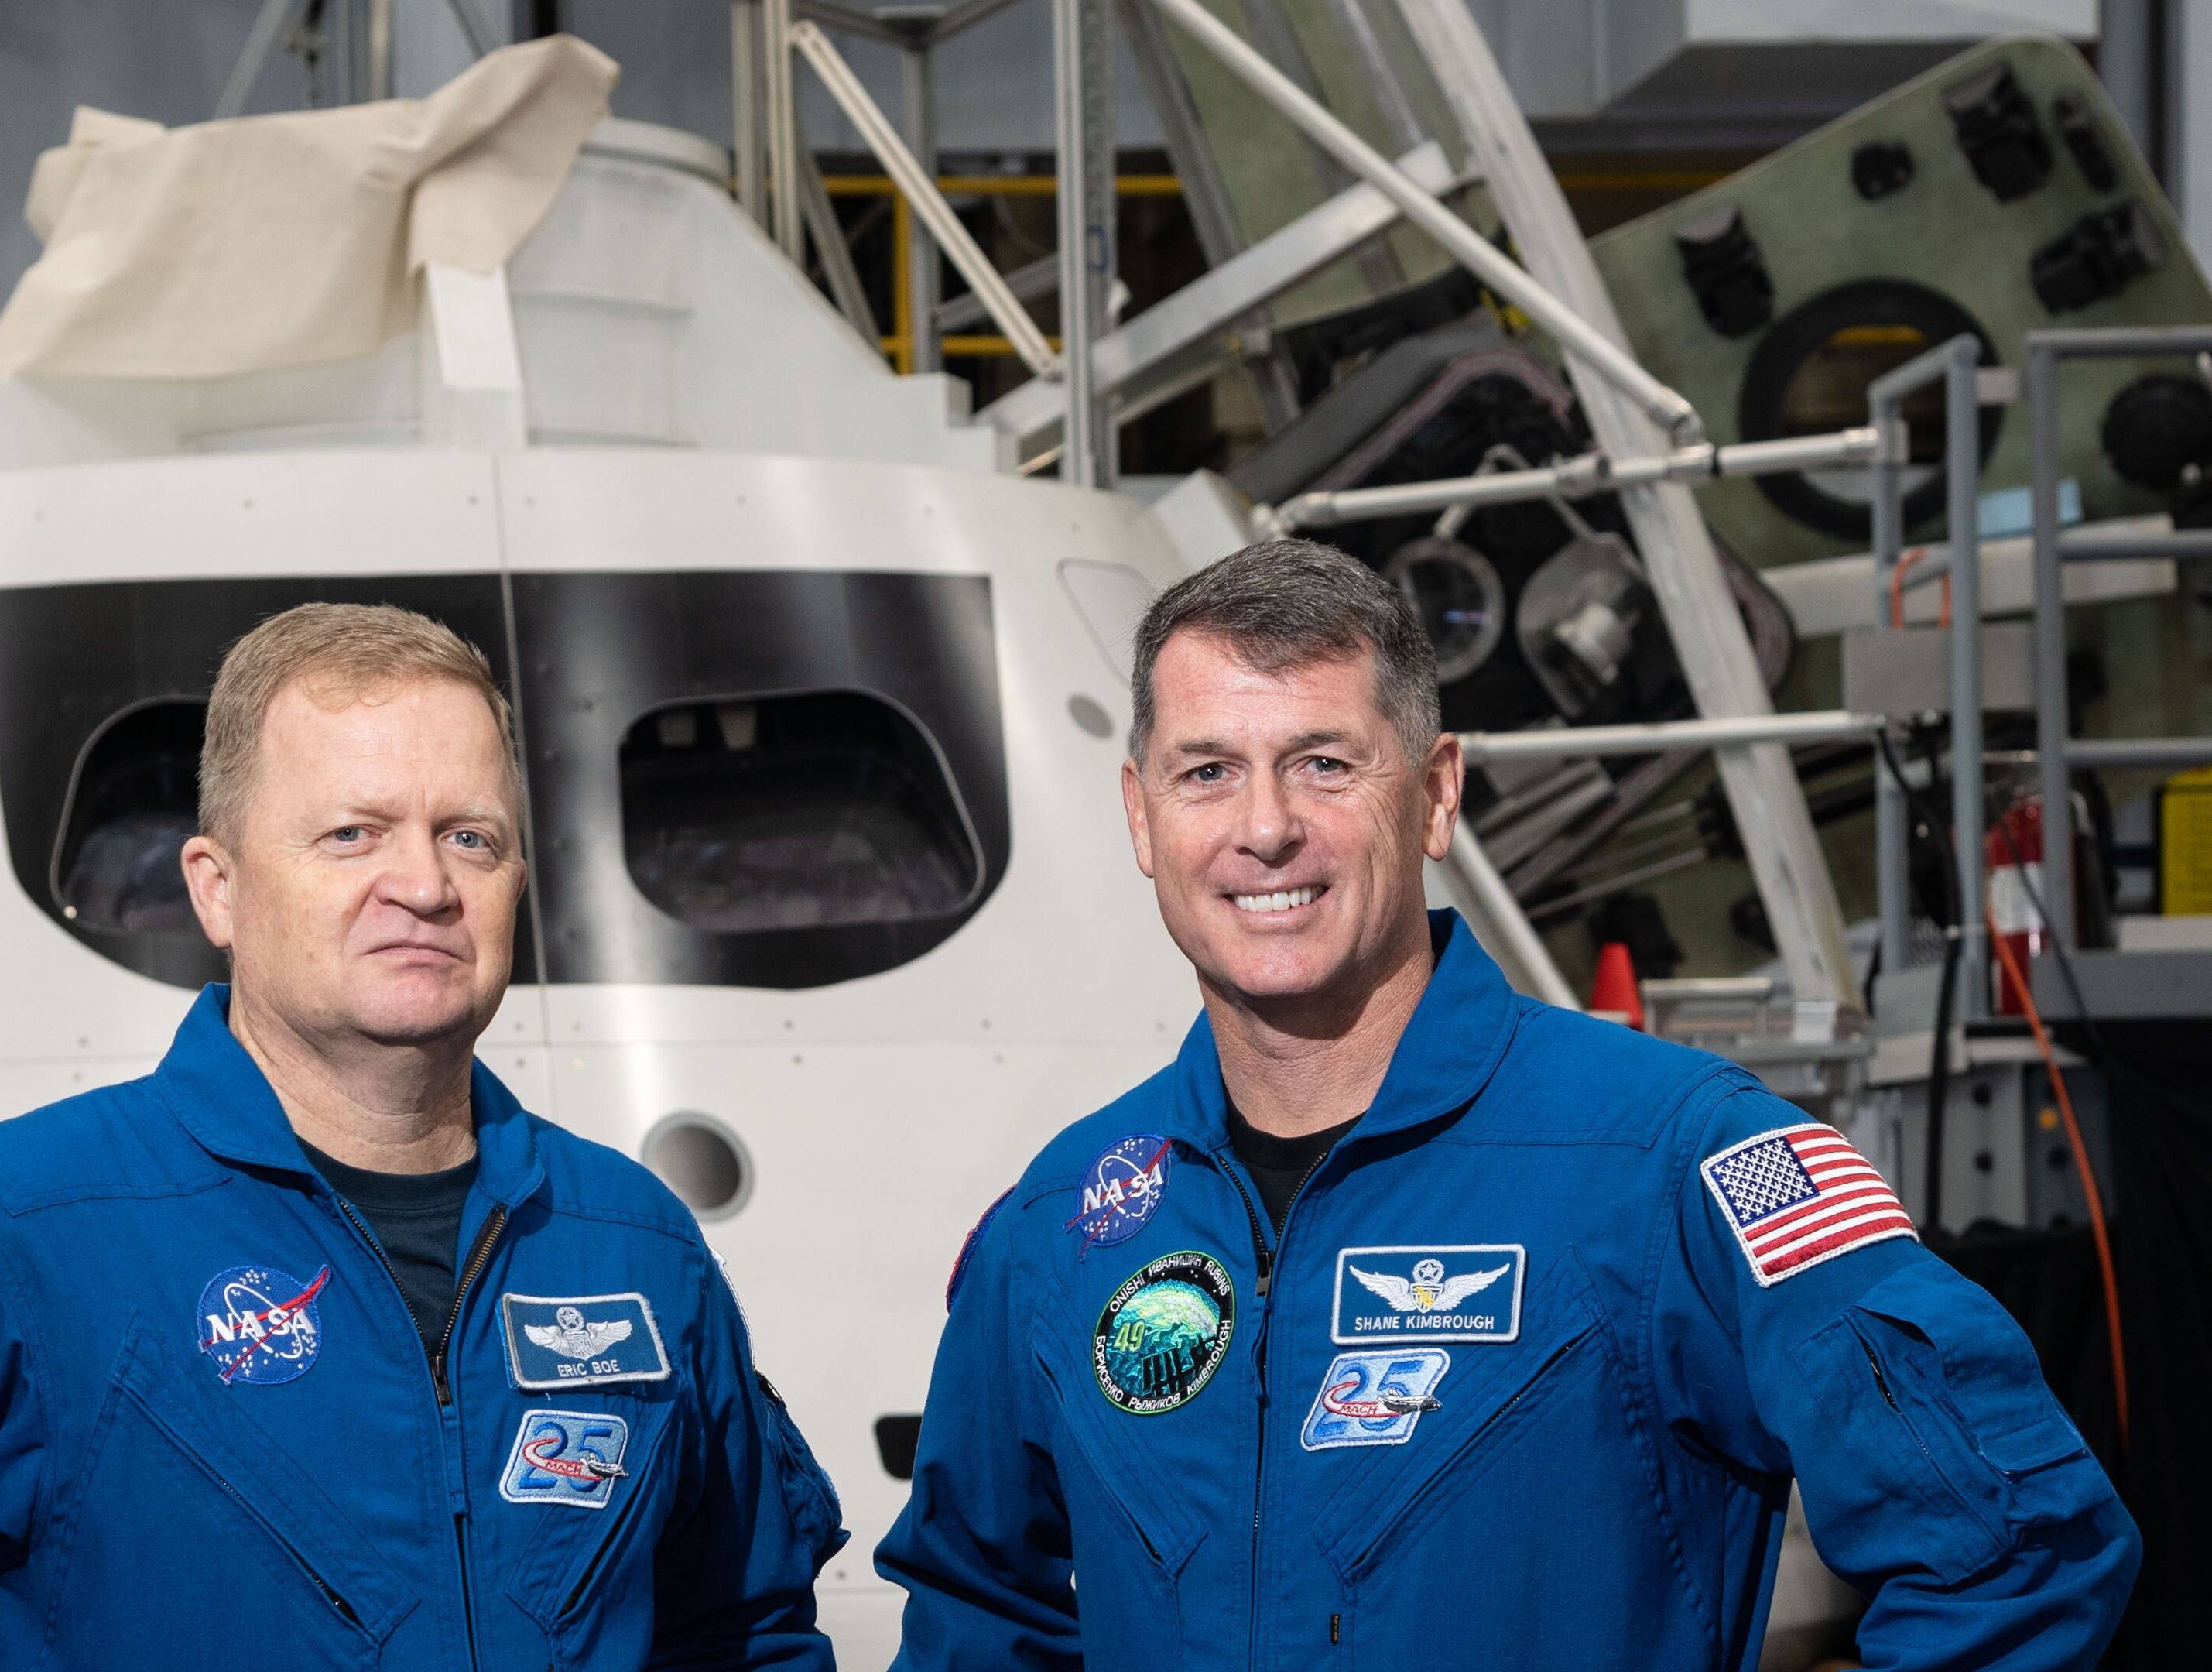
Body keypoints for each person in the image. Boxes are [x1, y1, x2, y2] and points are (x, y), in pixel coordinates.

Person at [875, 540, 2137, 1669]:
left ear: (1434, 794)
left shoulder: (1674, 1157)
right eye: (1208, 771)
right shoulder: (1067, 1220)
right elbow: (974, 1605)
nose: (1265, 829)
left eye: (1324, 764)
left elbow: (2020, 1547)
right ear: (1141, 817)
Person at [0, 603, 845, 1670]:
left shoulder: (629, 1246)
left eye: (470, 836)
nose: (425, 883)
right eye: (352, 834)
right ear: (217, 891)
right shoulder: (25, 1234)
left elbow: (741, 1631)